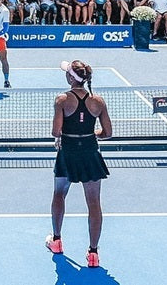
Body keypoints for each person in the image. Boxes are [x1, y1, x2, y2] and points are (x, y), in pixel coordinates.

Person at [47, 60, 112, 269]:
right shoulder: (98, 102)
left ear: (69, 78)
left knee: (59, 194)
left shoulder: (62, 100)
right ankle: (93, 254)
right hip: (90, 153)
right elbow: (108, 133)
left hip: (68, 153)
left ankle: (56, 241)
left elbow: (56, 132)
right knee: (94, 202)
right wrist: (90, 133)